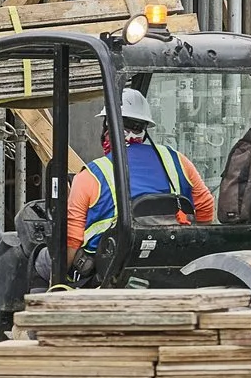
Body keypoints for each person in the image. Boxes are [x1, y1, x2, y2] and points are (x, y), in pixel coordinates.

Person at [65, 86, 217, 263]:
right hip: (174, 263)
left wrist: (64, 280)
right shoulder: (177, 161)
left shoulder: (92, 175)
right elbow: (205, 207)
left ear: (108, 125)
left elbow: (73, 240)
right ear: (145, 129)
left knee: (40, 259)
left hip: (108, 272)